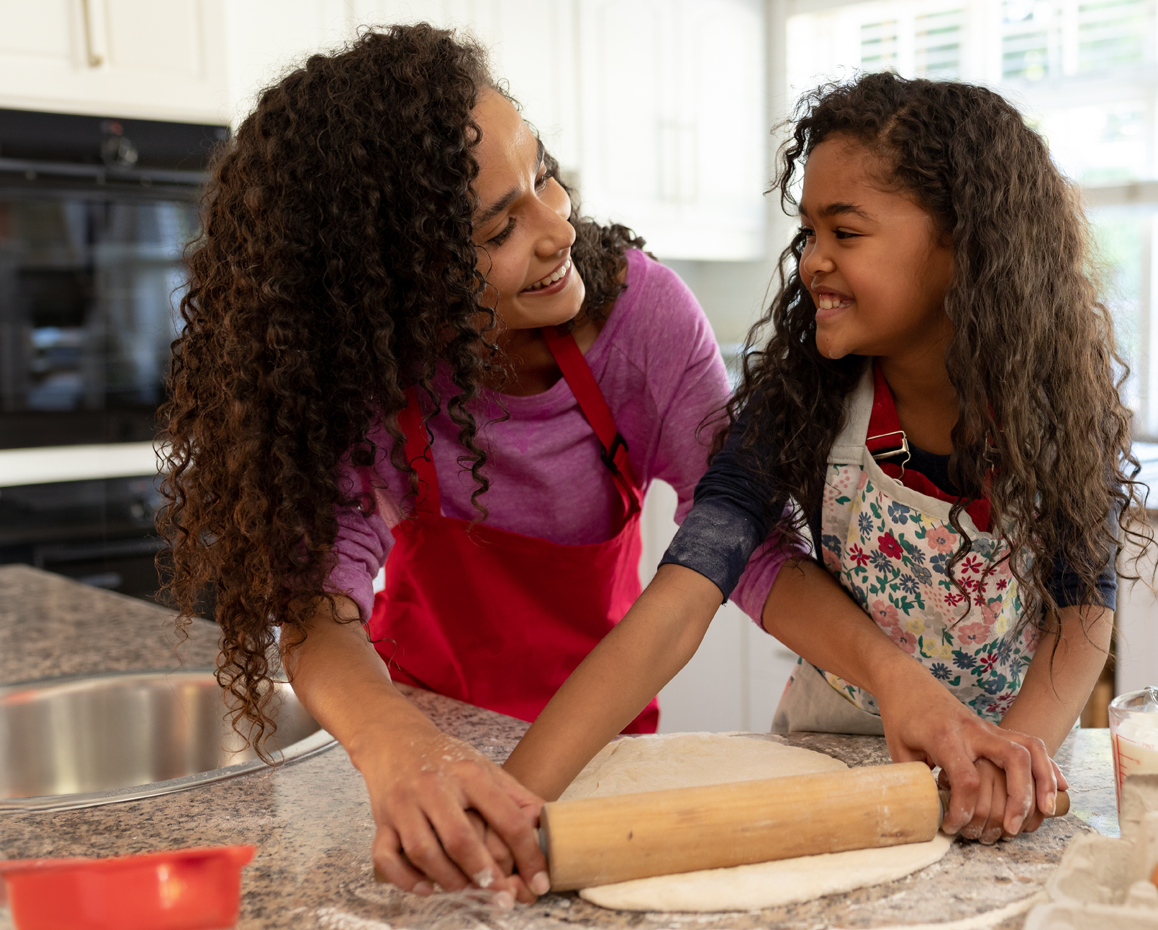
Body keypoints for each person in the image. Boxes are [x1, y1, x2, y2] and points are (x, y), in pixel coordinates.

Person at [157, 25, 750, 904]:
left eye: (544, 175)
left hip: (603, 750)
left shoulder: (640, 321)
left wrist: (527, 786)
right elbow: (317, 610)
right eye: (501, 226)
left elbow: (737, 529)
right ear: (401, 286)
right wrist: (400, 752)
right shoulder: (367, 376)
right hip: (422, 738)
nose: (559, 229)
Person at [504, 72, 1150, 846]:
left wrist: (1016, 754)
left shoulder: (1060, 413)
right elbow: (682, 597)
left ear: (965, 248)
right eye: (808, 233)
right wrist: (511, 801)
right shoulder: (799, 400)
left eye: (845, 234)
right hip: (828, 765)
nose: (812, 262)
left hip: (1006, 771)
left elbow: (1082, 609)